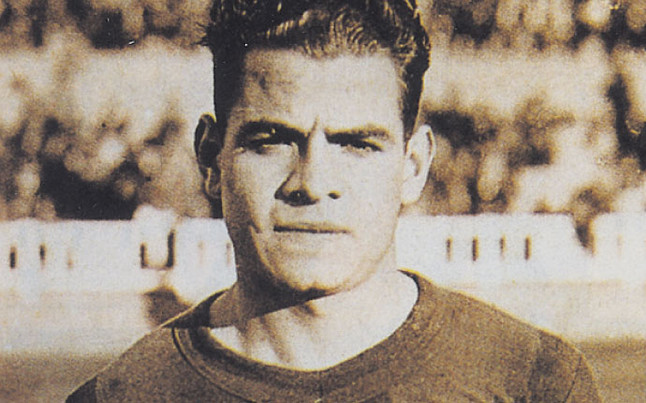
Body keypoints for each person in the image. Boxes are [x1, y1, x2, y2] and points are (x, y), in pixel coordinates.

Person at [68, 0, 601, 401]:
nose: (312, 182)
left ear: (413, 166)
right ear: (211, 158)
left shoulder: (535, 383)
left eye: (357, 144)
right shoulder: (122, 395)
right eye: (273, 140)